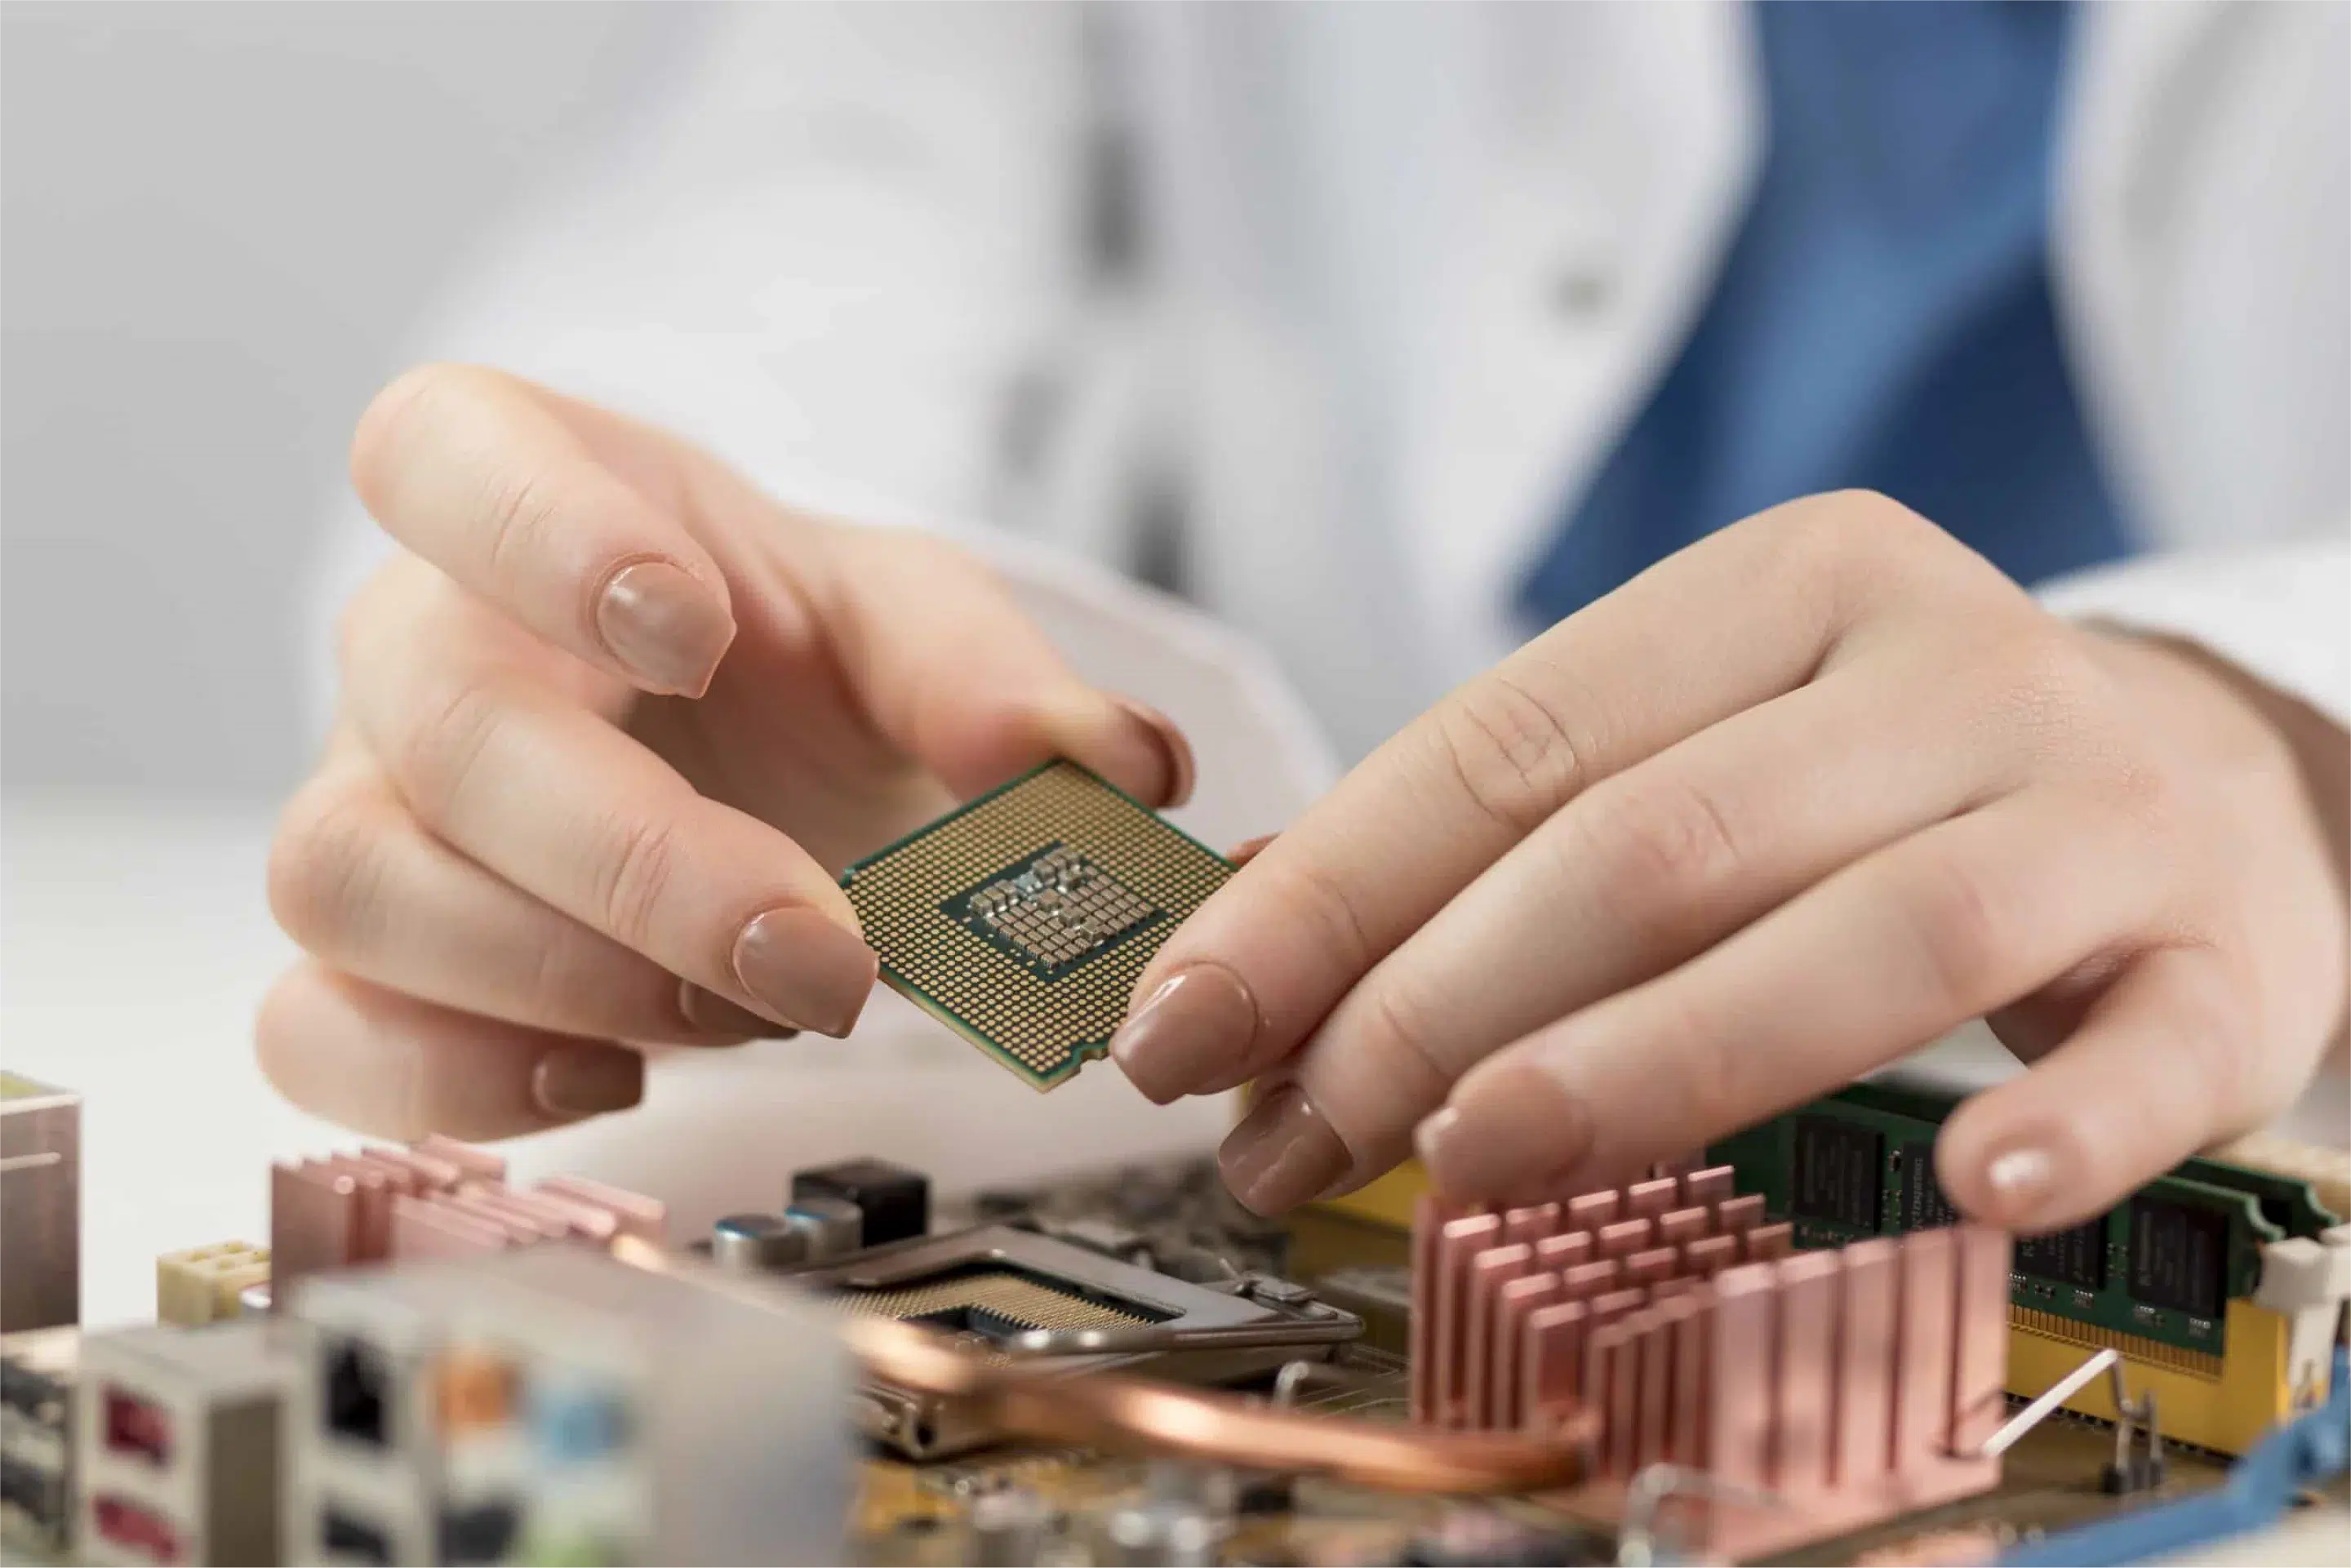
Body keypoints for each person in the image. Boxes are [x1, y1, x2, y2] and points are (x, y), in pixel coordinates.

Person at [263, 3, 2351, 1239]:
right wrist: (641, 598)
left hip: (2169, 1135)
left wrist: (2281, 726)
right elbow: (825, 164)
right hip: (1251, 1139)